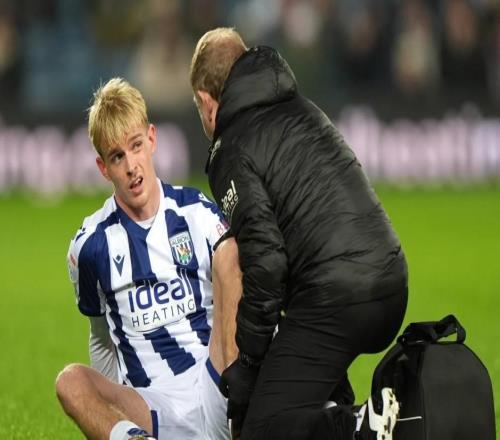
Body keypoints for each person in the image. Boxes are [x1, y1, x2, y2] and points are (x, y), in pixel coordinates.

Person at [190, 28, 409, 440]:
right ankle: (360, 417)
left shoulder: (231, 147)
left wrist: (248, 364)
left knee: (263, 429)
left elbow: (266, 262)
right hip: (391, 285)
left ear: (206, 101)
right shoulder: (304, 109)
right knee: (304, 399)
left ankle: (358, 423)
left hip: (336, 299)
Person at [55, 77, 242, 440]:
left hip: (216, 385)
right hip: (153, 406)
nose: (131, 166)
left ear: (152, 139)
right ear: (103, 168)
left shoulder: (196, 212)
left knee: (232, 258)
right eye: (117, 156)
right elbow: (101, 338)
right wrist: (111, 419)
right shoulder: (90, 246)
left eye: (136, 146)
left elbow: (235, 299)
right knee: (70, 382)